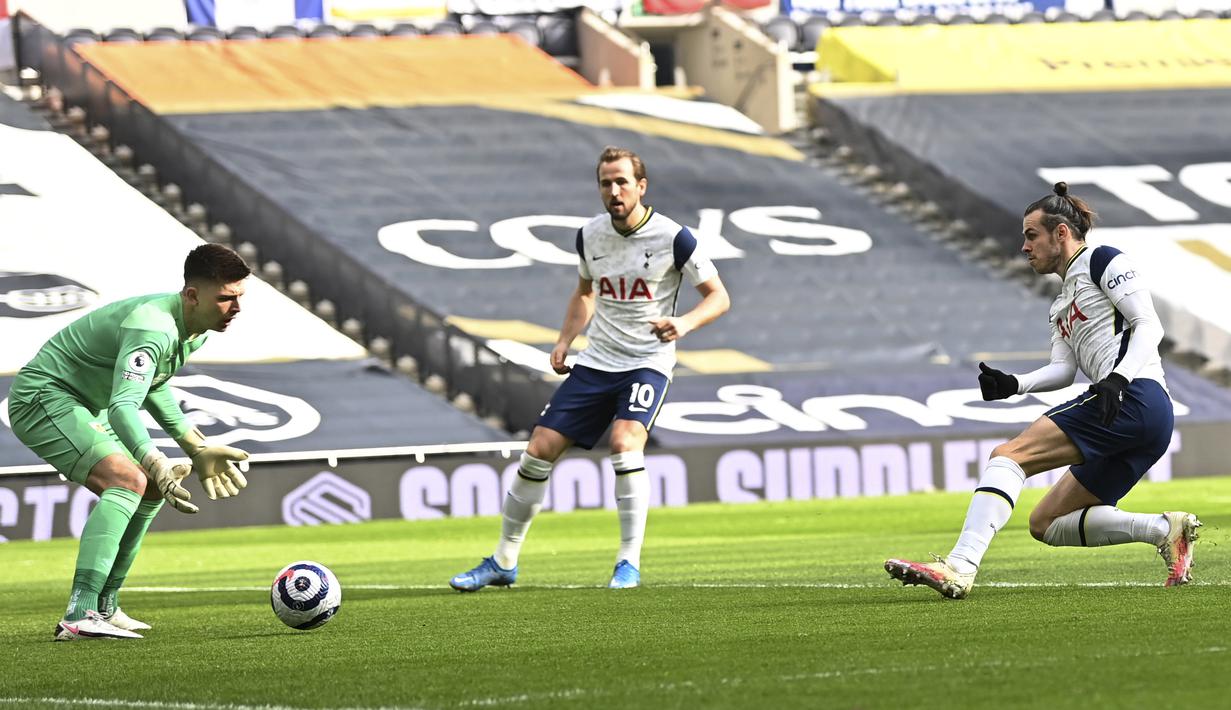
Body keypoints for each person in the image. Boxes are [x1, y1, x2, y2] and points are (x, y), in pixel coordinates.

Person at [885, 182, 1200, 599]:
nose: (1024, 247)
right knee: (1047, 523)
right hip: (1135, 413)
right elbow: (1063, 371)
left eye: (1031, 235)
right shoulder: (1059, 304)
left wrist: (1118, 379)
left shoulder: (1103, 260)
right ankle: (1164, 530)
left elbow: (1149, 325)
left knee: (1009, 456)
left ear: (1061, 233)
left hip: (1135, 397)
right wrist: (1014, 384)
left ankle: (959, 567)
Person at [450, 146, 730, 591]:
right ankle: (503, 561)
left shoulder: (674, 238)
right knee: (539, 449)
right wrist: (564, 340)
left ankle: (628, 563)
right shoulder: (590, 235)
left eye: (622, 182)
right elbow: (585, 292)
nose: (614, 191)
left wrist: (684, 323)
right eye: (605, 183)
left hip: (646, 362)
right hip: (597, 360)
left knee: (624, 443)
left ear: (641, 186)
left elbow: (718, 296)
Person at [7, 243, 254, 639]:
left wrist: (195, 445)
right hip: (44, 397)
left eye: (240, 297)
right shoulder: (152, 327)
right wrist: (153, 457)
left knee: (152, 487)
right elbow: (124, 406)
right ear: (193, 295)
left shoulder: (195, 331)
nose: (236, 308)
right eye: (226, 298)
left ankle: (105, 607)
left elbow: (151, 385)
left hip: (87, 404)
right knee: (129, 479)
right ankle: (79, 613)